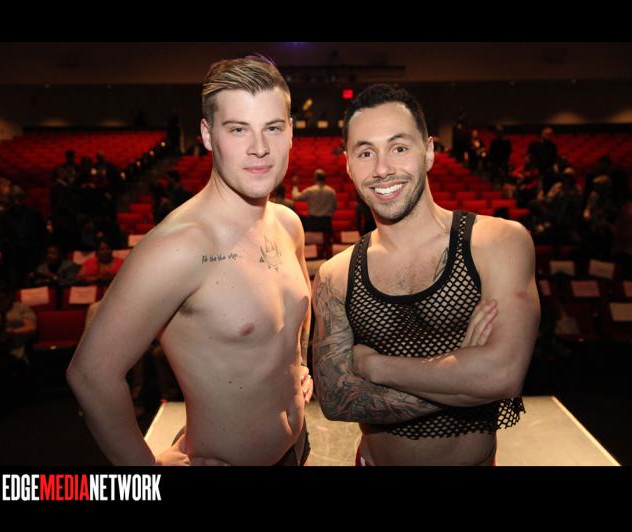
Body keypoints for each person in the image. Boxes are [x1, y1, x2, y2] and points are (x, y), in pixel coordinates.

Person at [67, 55, 314, 466]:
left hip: (297, 448)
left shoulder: (289, 225)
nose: (259, 148)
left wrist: (298, 366)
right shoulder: (177, 247)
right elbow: (90, 375)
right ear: (207, 134)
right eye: (238, 129)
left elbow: (292, 320)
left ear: (290, 132)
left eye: (272, 127)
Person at [312, 84, 540, 466]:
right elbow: (336, 400)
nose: (382, 169)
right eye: (365, 153)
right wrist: (463, 374)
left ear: (429, 151)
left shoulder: (498, 243)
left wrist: (375, 366)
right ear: (348, 165)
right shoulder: (335, 276)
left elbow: (501, 376)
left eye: (399, 148)